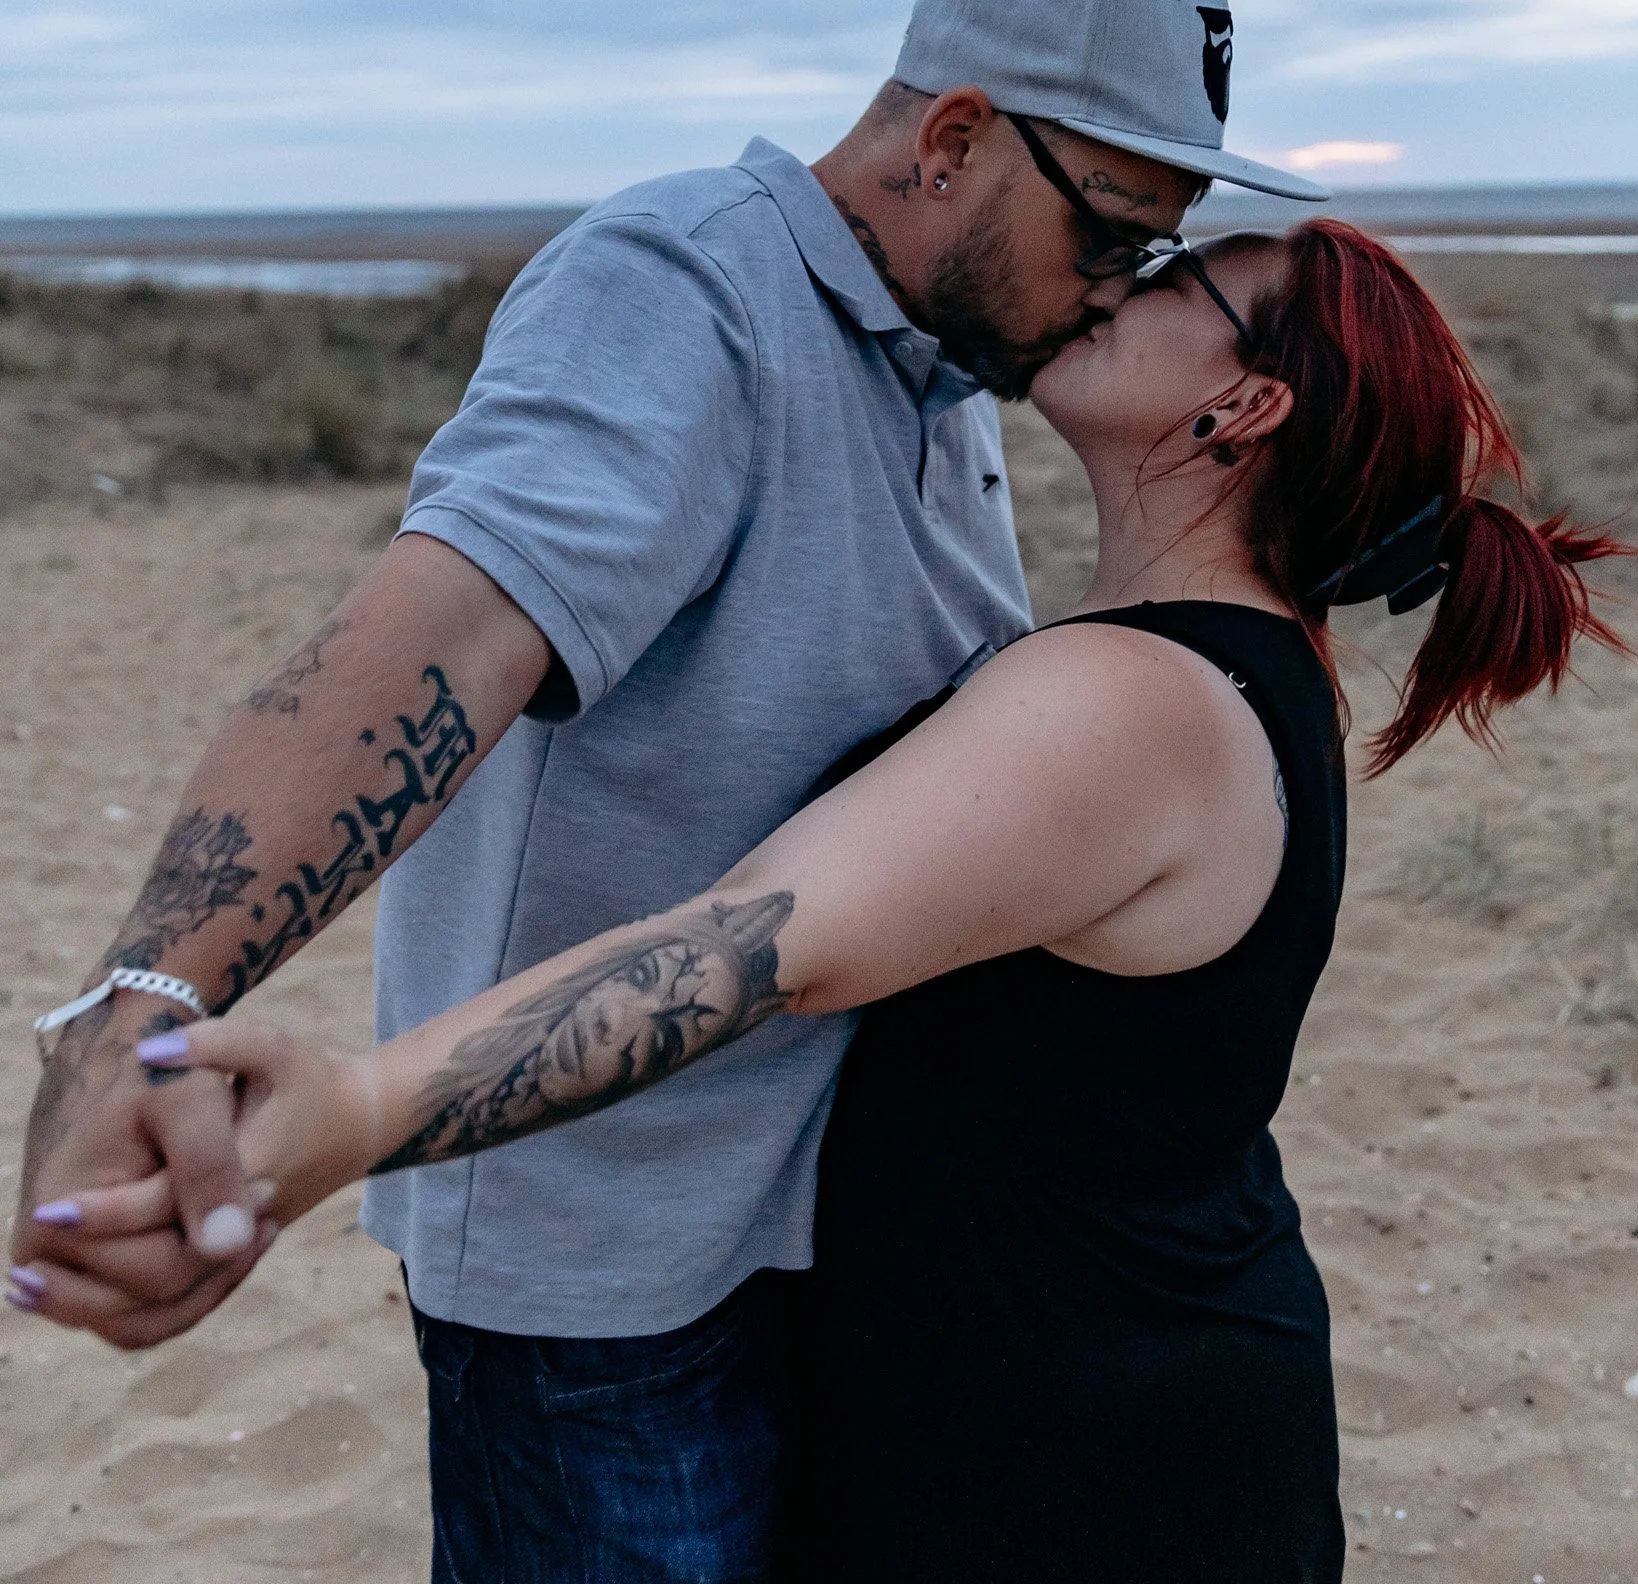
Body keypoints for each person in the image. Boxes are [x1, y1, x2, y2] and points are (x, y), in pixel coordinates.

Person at [10, 0, 1328, 1580]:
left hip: (807, 1246)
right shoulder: (687, 287)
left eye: (1161, 248)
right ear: (954, 137)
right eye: (1111, 230)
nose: (1123, 284)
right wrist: (141, 1005)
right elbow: (442, 633)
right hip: (608, 1287)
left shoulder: (943, 370)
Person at [34, 216, 1625, 1581]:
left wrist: (356, 1108)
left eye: (1169, 277)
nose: (1112, 277)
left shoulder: (1127, 702)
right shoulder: (1239, 671)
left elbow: (753, 948)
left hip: (1078, 1449)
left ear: (1240, 404)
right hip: (1114, 1376)